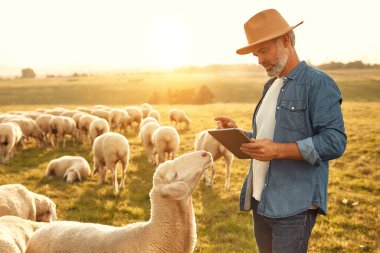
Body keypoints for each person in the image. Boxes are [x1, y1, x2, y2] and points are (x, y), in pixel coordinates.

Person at [215, 9, 347, 253]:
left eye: (264, 51)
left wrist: (277, 150)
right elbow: (270, 137)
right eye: (256, 54)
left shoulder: (318, 83)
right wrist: (238, 133)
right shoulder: (271, 85)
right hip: (260, 201)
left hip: (293, 207)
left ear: (286, 40)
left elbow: (335, 141)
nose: (259, 60)